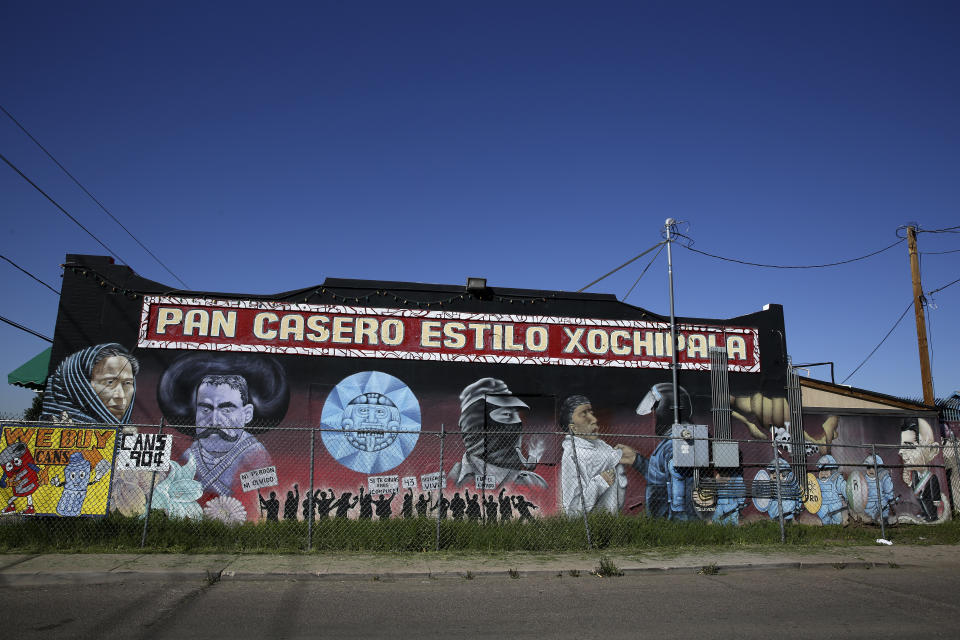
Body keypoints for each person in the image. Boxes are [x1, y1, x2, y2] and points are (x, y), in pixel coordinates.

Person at [158, 353, 288, 498]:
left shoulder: (255, 456)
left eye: (226, 410)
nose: (214, 420)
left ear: (247, 414)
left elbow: (257, 498)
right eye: (206, 409)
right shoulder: (190, 455)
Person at [448, 378, 546, 489]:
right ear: (476, 424)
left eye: (516, 415)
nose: (517, 423)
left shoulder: (533, 483)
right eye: (507, 415)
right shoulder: (450, 479)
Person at [631, 382, 698, 520]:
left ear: (665, 409)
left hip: (673, 521)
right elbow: (659, 473)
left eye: (656, 409)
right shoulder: (674, 439)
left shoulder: (677, 441)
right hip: (664, 520)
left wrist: (677, 517)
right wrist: (636, 459)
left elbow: (678, 476)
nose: (654, 415)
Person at [558, 395, 634, 516]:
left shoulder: (602, 447)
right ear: (573, 428)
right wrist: (601, 482)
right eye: (584, 414)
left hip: (611, 523)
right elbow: (573, 512)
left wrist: (620, 468)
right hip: (588, 529)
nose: (594, 419)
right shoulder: (572, 456)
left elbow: (618, 490)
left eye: (591, 413)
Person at [42, 343, 139, 424]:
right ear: (81, 383)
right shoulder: (56, 430)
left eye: (127, 383)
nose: (121, 395)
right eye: (110, 382)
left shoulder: (128, 434)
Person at [899, 418, 942, 522]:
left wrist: (936, 500)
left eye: (909, 445)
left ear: (931, 451)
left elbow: (935, 493)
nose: (900, 452)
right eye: (901, 446)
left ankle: (932, 516)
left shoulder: (932, 478)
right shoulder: (914, 475)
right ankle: (927, 515)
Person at [815, 455, 847, 525]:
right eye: (821, 470)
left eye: (826, 470)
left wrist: (847, 497)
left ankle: (838, 524)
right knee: (825, 521)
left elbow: (844, 488)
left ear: (832, 470)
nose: (823, 473)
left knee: (838, 519)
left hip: (835, 506)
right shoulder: (816, 482)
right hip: (822, 506)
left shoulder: (836, 479)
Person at [864, 454, 895, 524]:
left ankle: (884, 522)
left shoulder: (883, 477)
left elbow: (889, 490)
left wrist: (890, 499)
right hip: (869, 503)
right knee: (870, 518)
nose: (870, 470)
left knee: (883, 516)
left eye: (873, 467)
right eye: (868, 467)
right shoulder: (864, 479)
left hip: (881, 502)